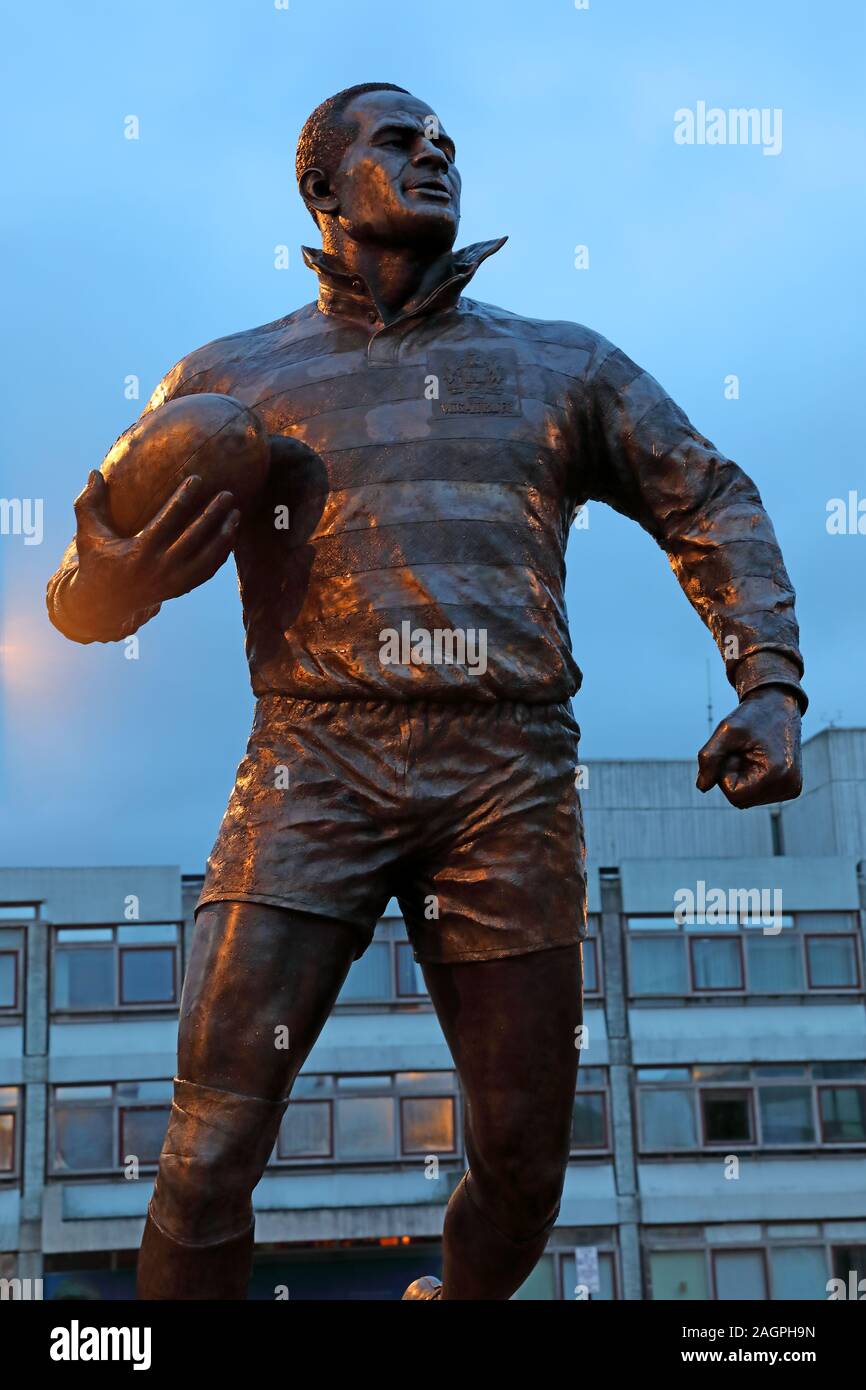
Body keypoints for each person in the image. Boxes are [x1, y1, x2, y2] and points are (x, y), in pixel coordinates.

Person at [47, 82, 806, 1301]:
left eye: (447, 143)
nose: (434, 155)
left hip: (505, 772)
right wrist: (105, 589)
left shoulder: (561, 362)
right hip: (311, 763)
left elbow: (703, 495)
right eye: (398, 142)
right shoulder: (228, 380)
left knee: (523, 1167)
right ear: (321, 187)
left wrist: (766, 679)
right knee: (206, 1149)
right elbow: (85, 583)